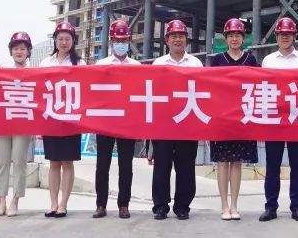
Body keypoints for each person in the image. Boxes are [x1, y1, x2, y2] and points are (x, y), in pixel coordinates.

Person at [259, 16, 298, 223]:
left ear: (294, 36)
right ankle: (270, 206)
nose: (284, 37)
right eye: (281, 34)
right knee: (272, 165)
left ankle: (297, 206)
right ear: (276, 36)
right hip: (274, 119)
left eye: (288, 34)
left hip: (297, 119)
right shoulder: (268, 61)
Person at [150, 19, 203, 220]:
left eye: (181, 36)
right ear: (167, 40)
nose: (177, 39)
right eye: (173, 36)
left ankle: (182, 206)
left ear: (186, 40)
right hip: (163, 123)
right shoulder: (158, 64)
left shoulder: (195, 64)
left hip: (188, 121)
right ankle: (160, 206)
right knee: (161, 166)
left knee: (186, 166)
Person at [210, 17, 258, 221]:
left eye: (238, 35)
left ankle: (235, 205)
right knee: (222, 162)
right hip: (222, 119)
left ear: (243, 38)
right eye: (231, 35)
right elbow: (210, 87)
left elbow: (259, 86)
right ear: (226, 38)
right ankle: (224, 205)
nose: (234, 38)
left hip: (243, 118)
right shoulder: (218, 60)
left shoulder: (251, 60)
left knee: (237, 162)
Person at [93, 19, 140, 219]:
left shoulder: (137, 66)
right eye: (117, 40)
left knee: (126, 165)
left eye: (124, 40)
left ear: (128, 41)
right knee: (102, 165)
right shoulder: (100, 65)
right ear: (111, 41)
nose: (121, 43)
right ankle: (101, 204)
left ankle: (124, 204)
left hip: (127, 122)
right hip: (105, 121)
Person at [40, 21, 82, 218]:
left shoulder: (80, 64)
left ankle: (63, 204)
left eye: (68, 39)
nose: (64, 42)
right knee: (54, 162)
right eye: (60, 39)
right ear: (55, 41)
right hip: (51, 118)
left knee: (68, 162)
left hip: (71, 118)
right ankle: (53, 203)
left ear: (73, 41)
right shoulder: (45, 63)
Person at [0, 31, 34, 217]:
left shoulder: (34, 73)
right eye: (16, 48)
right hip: (4, 121)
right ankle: (1, 200)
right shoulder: (2, 71)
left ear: (28, 52)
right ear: (11, 51)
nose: (19, 52)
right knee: (2, 161)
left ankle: (15, 199)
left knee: (19, 161)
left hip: (24, 122)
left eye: (23, 49)